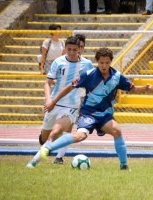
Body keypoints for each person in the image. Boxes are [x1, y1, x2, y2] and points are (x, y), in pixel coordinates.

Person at [39, 47, 153, 170]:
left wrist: (145, 88)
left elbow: (133, 88)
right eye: (101, 63)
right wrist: (53, 101)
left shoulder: (117, 77)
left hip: (105, 115)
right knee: (80, 136)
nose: (104, 65)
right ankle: (50, 147)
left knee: (117, 131)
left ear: (111, 62)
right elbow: (70, 87)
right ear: (97, 62)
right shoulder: (89, 75)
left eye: (107, 63)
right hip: (88, 114)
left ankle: (124, 166)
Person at [26, 36, 94, 168]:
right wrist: (48, 100)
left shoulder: (87, 64)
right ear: (65, 48)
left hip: (71, 106)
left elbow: (91, 84)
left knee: (55, 132)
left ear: (80, 49)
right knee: (45, 138)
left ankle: (33, 163)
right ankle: (47, 144)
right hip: (53, 104)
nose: (72, 52)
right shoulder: (58, 62)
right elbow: (47, 82)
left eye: (75, 49)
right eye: (69, 49)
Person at [52, 34, 90, 164]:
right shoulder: (61, 61)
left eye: (81, 47)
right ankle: (47, 147)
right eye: (76, 47)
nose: (78, 50)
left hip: (73, 103)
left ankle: (59, 157)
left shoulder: (87, 64)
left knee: (68, 129)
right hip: (56, 100)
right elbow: (51, 79)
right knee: (51, 131)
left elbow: (92, 80)